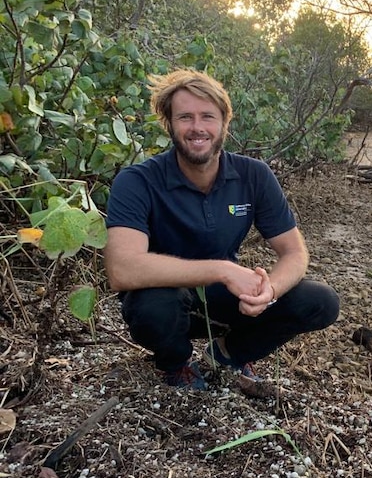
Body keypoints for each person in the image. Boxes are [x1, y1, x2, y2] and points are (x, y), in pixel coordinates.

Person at [104, 69, 339, 390]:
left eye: (208, 117)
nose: (197, 127)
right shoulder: (137, 181)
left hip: (227, 301)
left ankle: (228, 353)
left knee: (321, 301)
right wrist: (222, 270)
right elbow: (122, 269)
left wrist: (271, 290)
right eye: (185, 117)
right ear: (169, 124)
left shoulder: (254, 175)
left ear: (224, 123)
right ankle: (176, 363)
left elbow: (294, 252)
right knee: (154, 306)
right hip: (167, 300)